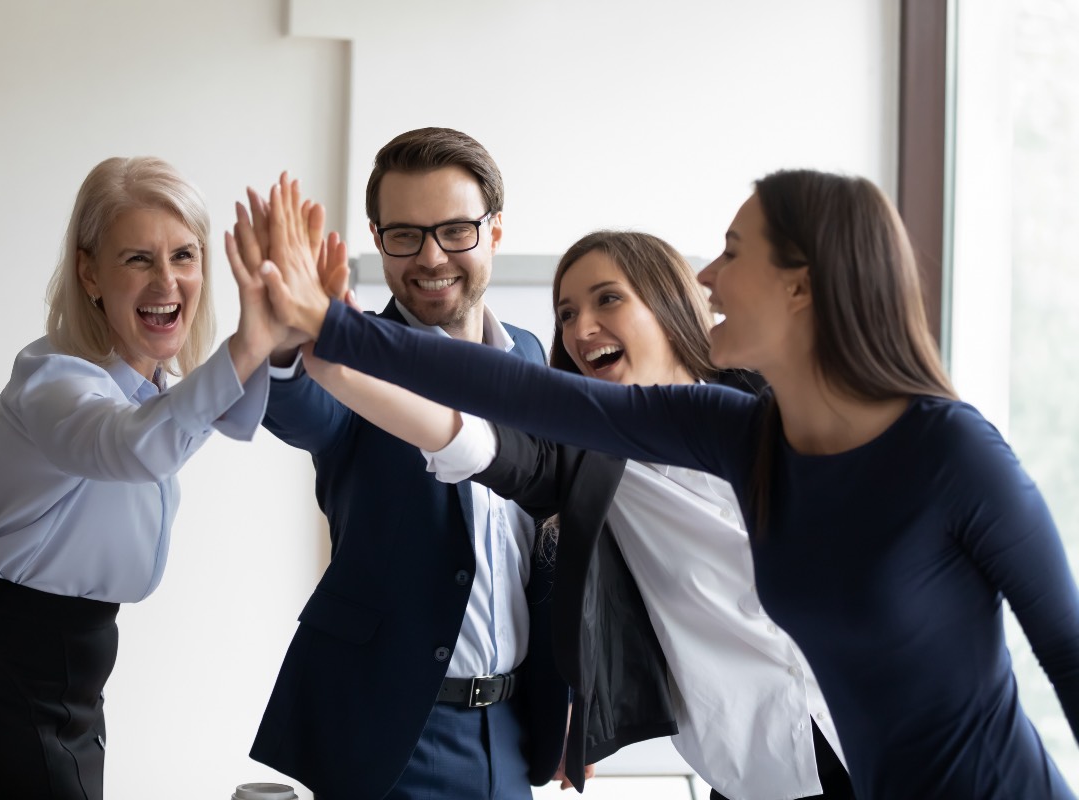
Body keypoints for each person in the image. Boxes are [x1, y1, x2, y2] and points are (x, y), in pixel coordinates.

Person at [265, 168, 1079, 800]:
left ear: (801, 285)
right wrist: (333, 330)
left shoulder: (946, 448)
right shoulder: (723, 435)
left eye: (731, 251)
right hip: (761, 771)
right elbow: (511, 401)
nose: (710, 274)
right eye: (565, 311)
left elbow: (1068, 651)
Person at [293, 229, 853, 799]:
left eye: (607, 299)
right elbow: (467, 441)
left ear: (667, 300)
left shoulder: (782, 403)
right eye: (566, 312)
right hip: (761, 771)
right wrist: (340, 366)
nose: (581, 329)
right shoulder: (586, 462)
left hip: (881, 731)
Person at [0, 156, 294, 800]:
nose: (167, 281)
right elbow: (134, 448)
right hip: (3, 670)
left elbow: (207, 419)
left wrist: (278, 331)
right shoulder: (53, 383)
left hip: (74, 672)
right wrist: (249, 341)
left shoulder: (151, 393)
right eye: (138, 260)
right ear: (89, 271)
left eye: (184, 255)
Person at [244, 130, 569, 800]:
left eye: (454, 230)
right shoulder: (355, 353)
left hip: (511, 732)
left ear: (495, 232)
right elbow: (305, 409)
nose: (430, 257)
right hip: (395, 736)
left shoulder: (533, 358)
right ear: (377, 237)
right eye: (404, 235)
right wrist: (283, 349)